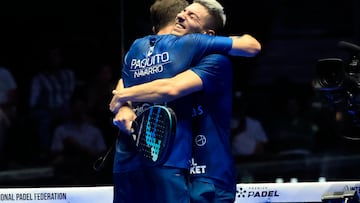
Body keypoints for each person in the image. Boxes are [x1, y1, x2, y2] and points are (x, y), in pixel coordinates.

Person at [110, 0, 261, 202]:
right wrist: (123, 106)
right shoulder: (171, 58)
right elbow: (131, 80)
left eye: (192, 16)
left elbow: (170, 88)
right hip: (176, 167)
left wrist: (122, 96)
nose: (181, 16)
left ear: (208, 35)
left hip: (208, 173)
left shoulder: (215, 61)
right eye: (183, 12)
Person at [29, 46, 77, 158]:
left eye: (57, 56)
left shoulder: (69, 75)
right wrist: (49, 108)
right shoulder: (40, 78)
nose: (54, 59)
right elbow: (33, 102)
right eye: (52, 56)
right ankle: (46, 153)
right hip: (47, 111)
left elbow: (74, 93)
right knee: (44, 120)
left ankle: (74, 153)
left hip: (68, 109)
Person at [50, 90, 107, 184]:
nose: (78, 111)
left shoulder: (94, 131)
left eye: (80, 107)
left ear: (85, 108)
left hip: (89, 170)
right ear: (70, 109)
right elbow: (56, 157)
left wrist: (79, 147)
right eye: (75, 108)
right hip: (68, 171)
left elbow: (102, 158)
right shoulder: (61, 130)